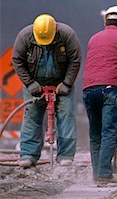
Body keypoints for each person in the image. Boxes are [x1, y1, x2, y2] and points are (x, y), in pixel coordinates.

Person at [12, 14, 81, 168]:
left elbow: (75, 60)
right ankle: (28, 154)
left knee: (66, 116)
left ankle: (65, 155)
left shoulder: (67, 35)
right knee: (31, 117)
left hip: (61, 84)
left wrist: (67, 84)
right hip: (35, 84)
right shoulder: (25, 37)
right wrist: (30, 83)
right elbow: (17, 61)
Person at [82, 6, 117, 187]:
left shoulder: (93, 39)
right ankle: (105, 173)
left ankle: (97, 171)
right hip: (111, 88)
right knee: (109, 131)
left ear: (105, 22)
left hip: (89, 89)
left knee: (95, 132)